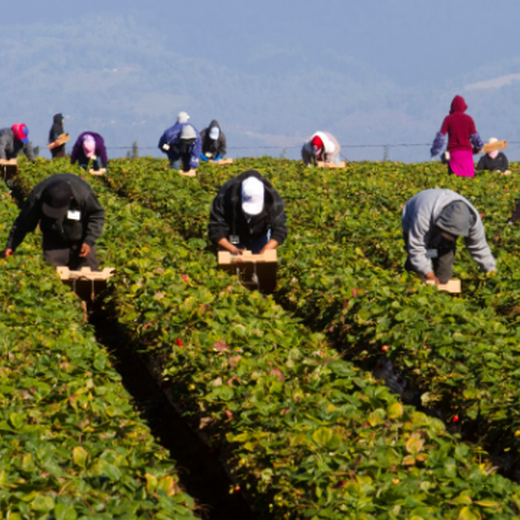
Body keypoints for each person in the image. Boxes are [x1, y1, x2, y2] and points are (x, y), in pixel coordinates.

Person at [5, 173, 105, 270]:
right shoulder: (37, 196)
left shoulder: (83, 194)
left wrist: (89, 240)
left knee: (88, 275)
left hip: (81, 239)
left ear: (71, 198)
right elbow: (23, 222)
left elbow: (97, 214)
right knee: (52, 275)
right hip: (53, 242)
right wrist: (11, 245)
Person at [402, 189, 496, 284]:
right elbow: (417, 248)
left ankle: (441, 282)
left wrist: (491, 270)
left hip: (433, 216)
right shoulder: (422, 216)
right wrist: (429, 274)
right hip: (413, 217)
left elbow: (479, 247)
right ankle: (411, 281)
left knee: (444, 261)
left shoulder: (473, 221)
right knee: (419, 267)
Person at [209, 169, 288, 255]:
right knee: (233, 263)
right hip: (233, 233)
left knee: (261, 264)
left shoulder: (273, 199)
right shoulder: (225, 195)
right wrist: (232, 249)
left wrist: (267, 248)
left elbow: (280, 228)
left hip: (259, 234)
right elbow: (216, 227)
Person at [430, 95, 484, 177]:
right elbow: (475, 137)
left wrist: (434, 151)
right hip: (467, 155)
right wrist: (479, 147)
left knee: (454, 179)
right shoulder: (469, 119)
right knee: (468, 179)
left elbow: (440, 138)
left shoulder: (448, 119)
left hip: (454, 154)